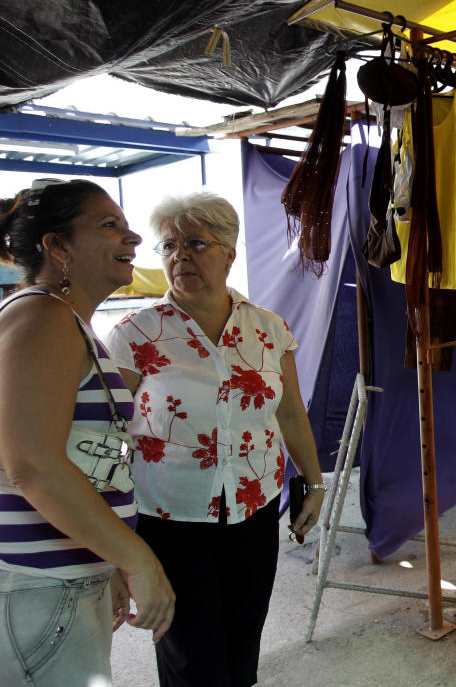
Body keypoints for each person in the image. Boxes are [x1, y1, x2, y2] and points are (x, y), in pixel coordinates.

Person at [104, 192, 327, 687]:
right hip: (170, 519)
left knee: (243, 643)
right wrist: (110, 537)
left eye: (195, 243)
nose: (179, 255)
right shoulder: (135, 334)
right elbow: (110, 432)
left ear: (228, 252)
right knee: (191, 659)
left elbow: (289, 412)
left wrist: (314, 483)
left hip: (253, 509)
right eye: (168, 246)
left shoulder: (269, 330)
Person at [0, 179, 175, 686]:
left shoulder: (64, 320)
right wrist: (138, 560)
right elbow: (32, 464)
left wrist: (107, 559)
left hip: (62, 584)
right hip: (40, 589)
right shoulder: (42, 316)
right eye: (109, 225)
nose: (134, 238)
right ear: (57, 247)